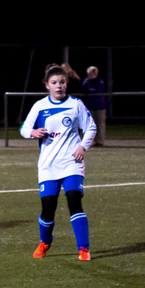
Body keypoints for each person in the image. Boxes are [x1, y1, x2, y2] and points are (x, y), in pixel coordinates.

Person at [20, 64, 97, 261]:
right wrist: (32, 132)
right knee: (48, 207)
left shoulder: (76, 104)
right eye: (54, 83)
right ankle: (45, 242)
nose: (59, 86)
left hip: (72, 162)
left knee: (74, 200)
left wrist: (82, 147)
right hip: (48, 166)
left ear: (66, 83)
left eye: (62, 82)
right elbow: (23, 127)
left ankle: (84, 249)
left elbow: (91, 128)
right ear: (47, 85)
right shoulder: (39, 106)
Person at [81, 66, 106, 146]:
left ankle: (100, 141)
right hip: (90, 106)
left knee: (100, 125)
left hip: (100, 106)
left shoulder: (99, 80)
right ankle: (94, 141)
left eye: (91, 73)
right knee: (92, 125)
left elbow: (98, 90)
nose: (90, 75)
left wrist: (89, 90)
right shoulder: (87, 81)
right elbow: (82, 89)